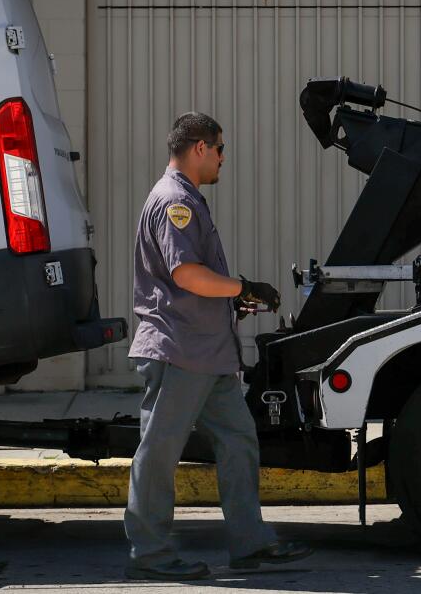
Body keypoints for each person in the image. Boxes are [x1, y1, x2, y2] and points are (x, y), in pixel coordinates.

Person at [123, 112, 313, 581]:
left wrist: (238, 298)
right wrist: (241, 286)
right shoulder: (174, 202)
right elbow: (186, 274)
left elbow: (193, 280)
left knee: (238, 441)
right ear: (199, 147)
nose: (225, 158)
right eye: (221, 148)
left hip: (207, 351)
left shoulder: (189, 199)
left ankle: (251, 545)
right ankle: (150, 555)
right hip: (179, 351)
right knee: (159, 451)